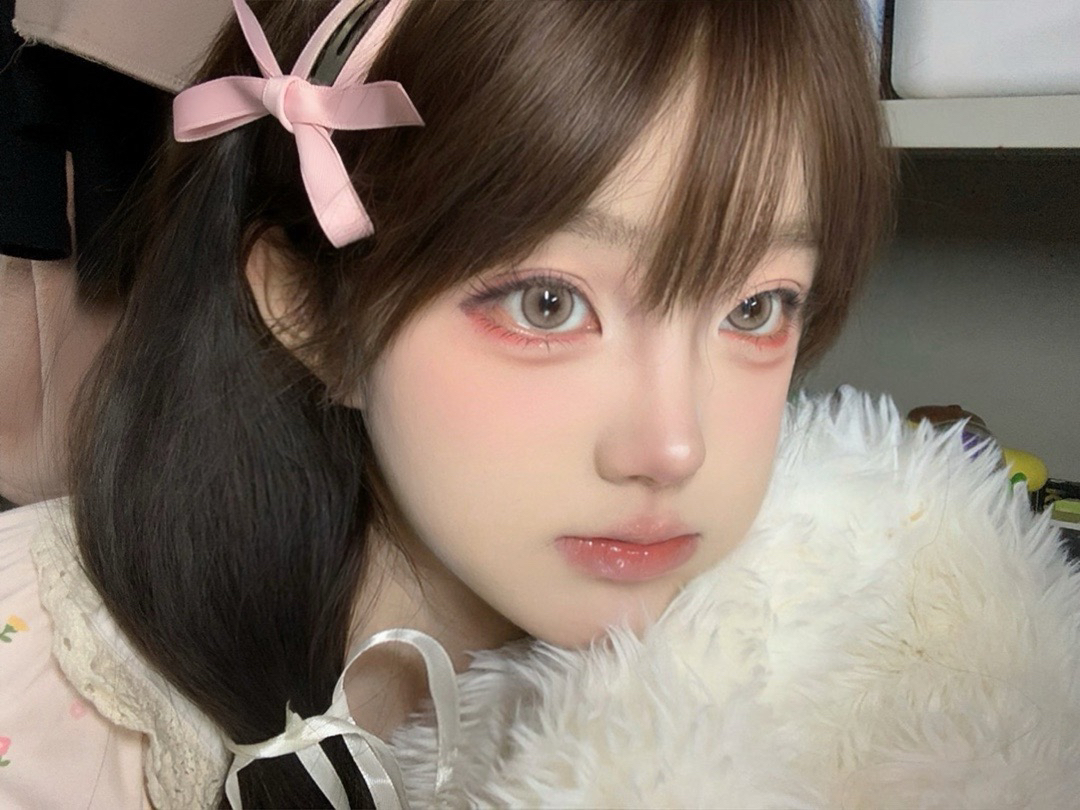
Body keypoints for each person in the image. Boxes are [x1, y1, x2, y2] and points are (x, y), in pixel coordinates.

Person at [2, 0, 1076, 808]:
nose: (673, 447)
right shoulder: (43, 690)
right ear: (309, 310)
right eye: (548, 302)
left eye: (756, 308)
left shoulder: (841, 656)